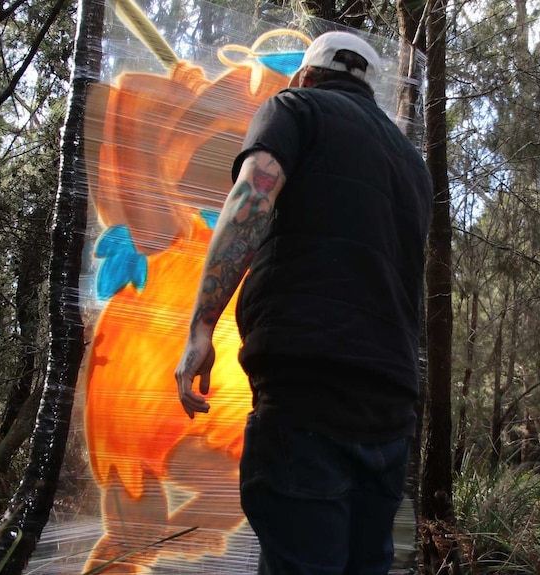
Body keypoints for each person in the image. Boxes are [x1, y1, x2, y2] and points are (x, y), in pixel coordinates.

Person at [174, 30, 432, 575]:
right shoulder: (411, 163)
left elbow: (251, 202)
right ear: (369, 87)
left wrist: (202, 325)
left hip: (307, 387)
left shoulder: (295, 107)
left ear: (306, 75)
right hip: (390, 402)